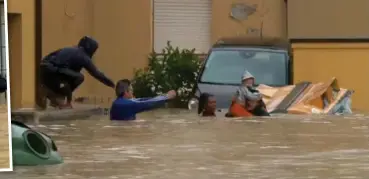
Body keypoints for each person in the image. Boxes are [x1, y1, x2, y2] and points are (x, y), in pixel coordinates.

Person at [40, 36, 115, 109]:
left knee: (71, 75)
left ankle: (53, 94)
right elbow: (96, 73)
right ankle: (63, 99)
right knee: (79, 77)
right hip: (53, 73)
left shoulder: (69, 49)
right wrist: (111, 84)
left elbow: (47, 59)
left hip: (45, 72)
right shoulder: (83, 56)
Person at [110, 79, 177, 120]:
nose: (132, 92)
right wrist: (167, 97)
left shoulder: (118, 102)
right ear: (125, 92)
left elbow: (143, 100)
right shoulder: (126, 104)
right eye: (131, 90)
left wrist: (165, 96)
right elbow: (147, 104)